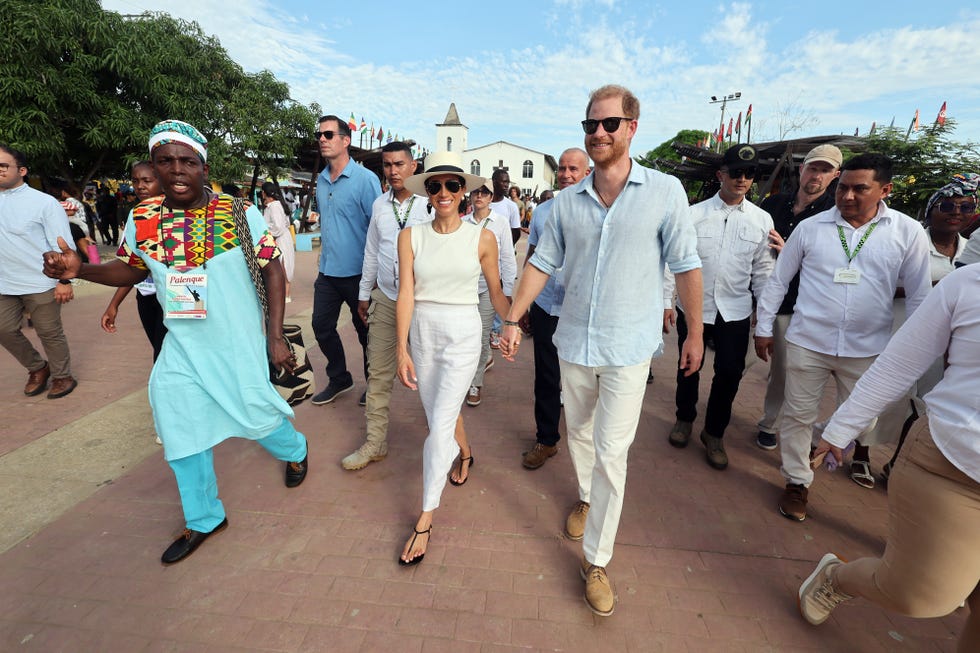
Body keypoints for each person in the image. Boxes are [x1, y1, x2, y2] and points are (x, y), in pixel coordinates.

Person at [42, 120, 308, 564]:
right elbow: (131, 269)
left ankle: (295, 450)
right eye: (166, 161)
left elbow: (272, 269)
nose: (177, 170)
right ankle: (205, 517)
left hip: (236, 342)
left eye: (188, 161)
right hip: (182, 345)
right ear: (156, 167)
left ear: (204, 167)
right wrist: (79, 269)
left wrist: (274, 335)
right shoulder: (142, 218)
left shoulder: (237, 212)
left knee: (259, 417)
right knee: (179, 430)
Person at [499, 85, 703, 616]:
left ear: (632, 127)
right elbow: (541, 265)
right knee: (581, 432)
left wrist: (695, 333)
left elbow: (685, 266)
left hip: (630, 347)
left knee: (613, 453)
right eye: (590, 124)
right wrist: (512, 319)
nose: (597, 133)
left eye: (609, 124)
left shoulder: (665, 193)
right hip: (574, 342)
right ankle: (586, 499)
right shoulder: (565, 203)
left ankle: (597, 561)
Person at [798, 263, 980, 652]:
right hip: (953, 467)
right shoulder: (968, 283)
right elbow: (899, 364)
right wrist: (840, 429)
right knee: (919, 595)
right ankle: (836, 578)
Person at [754, 153, 931, 522]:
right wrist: (764, 328)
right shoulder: (811, 228)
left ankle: (828, 435)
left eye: (859, 189)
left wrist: (912, 352)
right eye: (843, 187)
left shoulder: (907, 232)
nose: (847, 196)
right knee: (797, 415)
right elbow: (779, 281)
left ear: (885, 190)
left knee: (864, 422)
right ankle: (797, 482)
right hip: (808, 341)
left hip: (867, 349)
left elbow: (918, 297)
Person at [394, 152, 510, 566]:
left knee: (439, 422)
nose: (443, 192)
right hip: (423, 332)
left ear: (465, 191)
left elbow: (495, 291)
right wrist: (401, 347)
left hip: (463, 333)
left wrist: (511, 320)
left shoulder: (482, 238)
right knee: (440, 413)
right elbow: (406, 292)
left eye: (452, 185)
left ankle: (425, 517)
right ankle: (467, 453)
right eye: (435, 185)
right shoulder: (411, 236)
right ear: (426, 192)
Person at [664, 144, 774, 470]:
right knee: (689, 366)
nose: (742, 179)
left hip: (736, 310)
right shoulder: (694, 214)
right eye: (736, 172)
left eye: (749, 174)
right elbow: (675, 262)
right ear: (720, 174)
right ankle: (684, 418)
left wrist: (763, 320)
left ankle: (714, 433)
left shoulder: (761, 219)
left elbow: (764, 273)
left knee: (729, 372)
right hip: (694, 307)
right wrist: (667, 302)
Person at [876, 172, 977, 482]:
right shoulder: (910, 241)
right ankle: (862, 455)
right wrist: (934, 289)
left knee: (924, 407)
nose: (956, 213)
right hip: (901, 330)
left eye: (966, 206)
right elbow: (880, 285)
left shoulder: (971, 250)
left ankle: (897, 462)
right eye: (947, 206)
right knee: (886, 399)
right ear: (932, 209)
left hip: (949, 345)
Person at [343, 142, 431, 471]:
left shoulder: (431, 203)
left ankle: (443, 443)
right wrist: (364, 294)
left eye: (399, 164)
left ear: (413, 167)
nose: (393, 171)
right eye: (387, 165)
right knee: (377, 375)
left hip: (424, 303)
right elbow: (371, 252)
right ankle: (375, 442)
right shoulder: (380, 205)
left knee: (433, 376)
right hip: (387, 298)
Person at [754, 144, 841, 451]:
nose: (816, 175)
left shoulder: (833, 217)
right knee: (775, 371)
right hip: (763, 299)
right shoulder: (774, 204)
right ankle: (769, 420)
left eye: (825, 170)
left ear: (835, 176)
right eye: (813, 168)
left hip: (802, 305)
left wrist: (791, 249)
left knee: (792, 372)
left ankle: (775, 424)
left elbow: (835, 265)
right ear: (802, 169)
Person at [519, 147, 590, 470]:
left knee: (582, 380)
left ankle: (586, 448)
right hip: (546, 304)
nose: (566, 174)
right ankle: (546, 439)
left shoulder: (600, 210)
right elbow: (533, 256)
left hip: (583, 308)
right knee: (547, 377)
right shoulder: (544, 211)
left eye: (573, 169)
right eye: (561, 168)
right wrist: (524, 302)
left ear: (586, 173)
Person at [311, 114, 382, 406]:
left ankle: (374, 384)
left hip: (359, 274)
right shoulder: (321, 179)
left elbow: (378, 229)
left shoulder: (366, 180)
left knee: (366, 332)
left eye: (328, 134)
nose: (322, 140)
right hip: (328, 272)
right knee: (320, 326)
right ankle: (340, 378)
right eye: (319, 135)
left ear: (346, 140)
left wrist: (374, 275)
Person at [0, 144, 78, 399]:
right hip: (4, 283)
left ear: (22, 170)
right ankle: (37, 368)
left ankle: (62, 376)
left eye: (3, 166)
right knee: (4, 329)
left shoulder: (44, 203)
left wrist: (65, 281)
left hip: (41, 281)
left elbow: (63, 245)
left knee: (49, 332)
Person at [100, 161, 168, 362]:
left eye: (147, 180)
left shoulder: (178, 212)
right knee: (159, 350)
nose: (140, 186)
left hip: (175, 298)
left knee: (165, 357)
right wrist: (114, 304)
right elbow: (131, 265)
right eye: (136, 181)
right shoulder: (136, 215)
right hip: (146, 296)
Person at [464, 179, 517, 408]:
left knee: (482, 334)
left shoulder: (500, 222)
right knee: (466, 335)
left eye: (484, 193)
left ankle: (475, 383)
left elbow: (507, 257)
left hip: (489, 287)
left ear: (491, 196)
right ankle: (479, 362)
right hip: (465, 288)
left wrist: (507, 293)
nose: (479, 196)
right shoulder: (462, 222)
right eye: (476, 192)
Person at [260, 182, 295, 303]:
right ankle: (285, 295)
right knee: (283, 265)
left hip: (279, 238)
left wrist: (267, 231)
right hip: (280, 237)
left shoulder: (274, 206)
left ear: (264, 192)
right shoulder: (275, 205)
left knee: (282, 265)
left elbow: (278, 227)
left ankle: (285, 295)